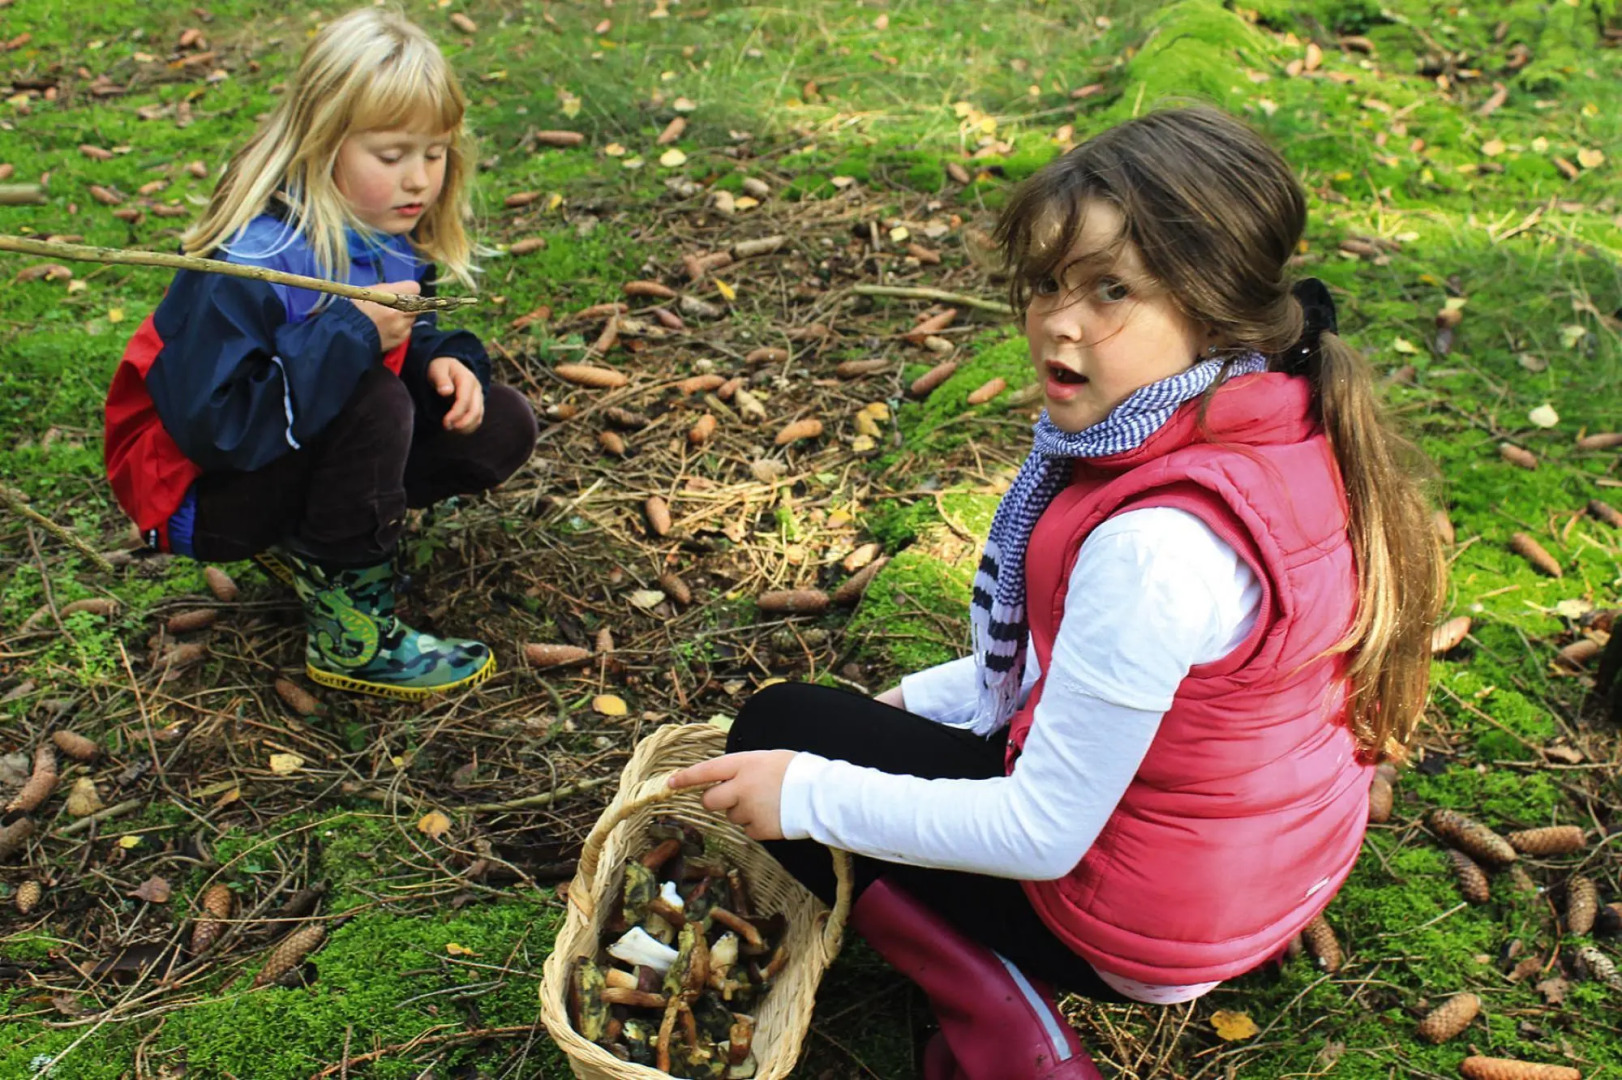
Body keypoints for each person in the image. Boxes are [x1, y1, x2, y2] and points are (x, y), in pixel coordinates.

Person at [669, 106, 1445, 1080]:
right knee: (839, 728)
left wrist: (808, 790)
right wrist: (919, 704)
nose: (1057, 321)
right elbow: (1091, 669)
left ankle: (1006, 1022)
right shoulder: (1273, 421)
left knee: (773, 729)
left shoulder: (1153, 544)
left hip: (1140, 925)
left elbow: (1041, 833)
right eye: (1045, 284)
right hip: (1274, 865)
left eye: (1110, 291)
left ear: (1209, 305)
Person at [104, 7, 536, 701]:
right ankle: (351, 629)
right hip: (193, 488)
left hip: (285, 439)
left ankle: (314, 545)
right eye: (391, 156)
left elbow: (398, 332)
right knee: (373, 399)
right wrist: (356, 337)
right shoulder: (256, 263)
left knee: (499, 424)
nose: (420, 180)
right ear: (320, 143)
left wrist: (437, 357)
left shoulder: (383, 226)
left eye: (434, 153)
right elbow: (218, 426)